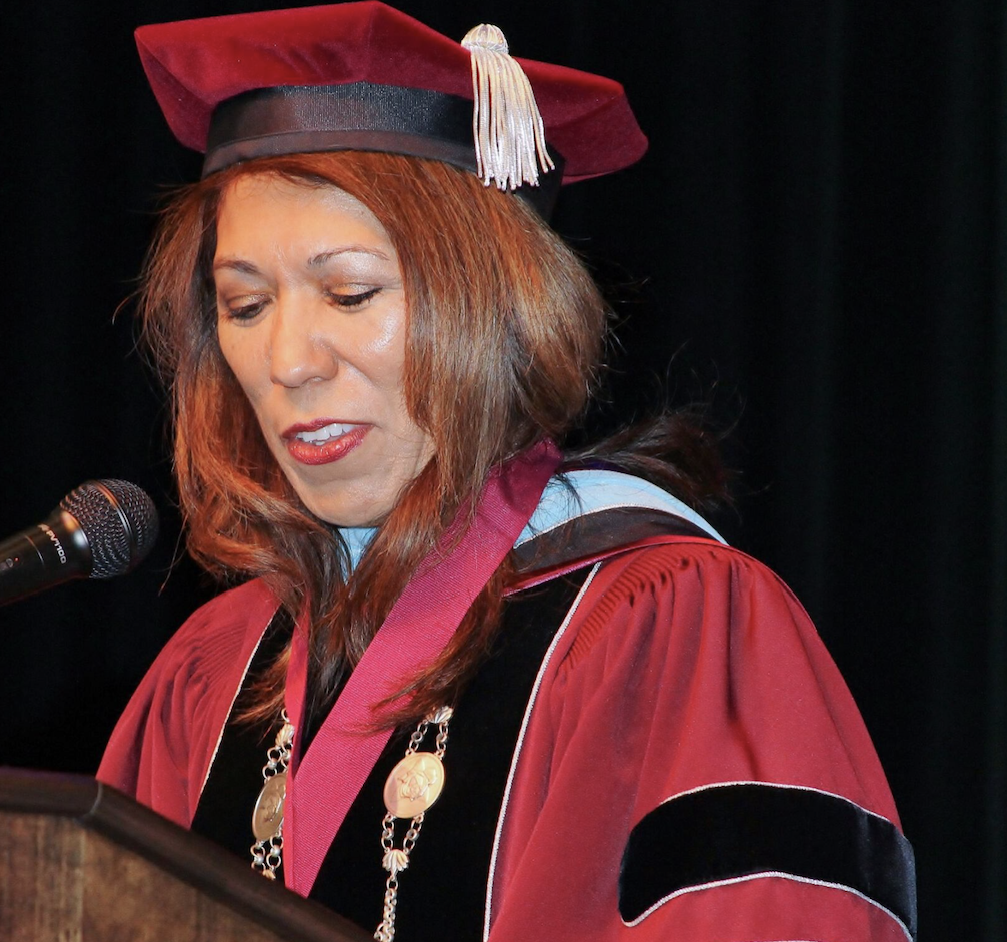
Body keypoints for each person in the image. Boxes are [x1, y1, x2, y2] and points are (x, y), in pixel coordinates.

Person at [99, 4, 916, 941]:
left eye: (351, 292)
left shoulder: (665, 629)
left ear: (498, 310)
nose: (288, 361)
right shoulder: (215, 673)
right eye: (243, 305)